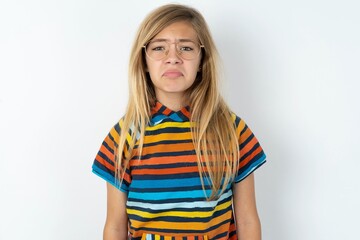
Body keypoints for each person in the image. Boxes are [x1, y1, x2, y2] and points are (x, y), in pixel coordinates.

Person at [92, 4, 266, 240]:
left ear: (202, 59)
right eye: (159, 48)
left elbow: (247, 220)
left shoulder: (232, 131)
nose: (172, 58)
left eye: (185, 48)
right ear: (144, 61)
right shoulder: (125, 136)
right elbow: (115, 225)